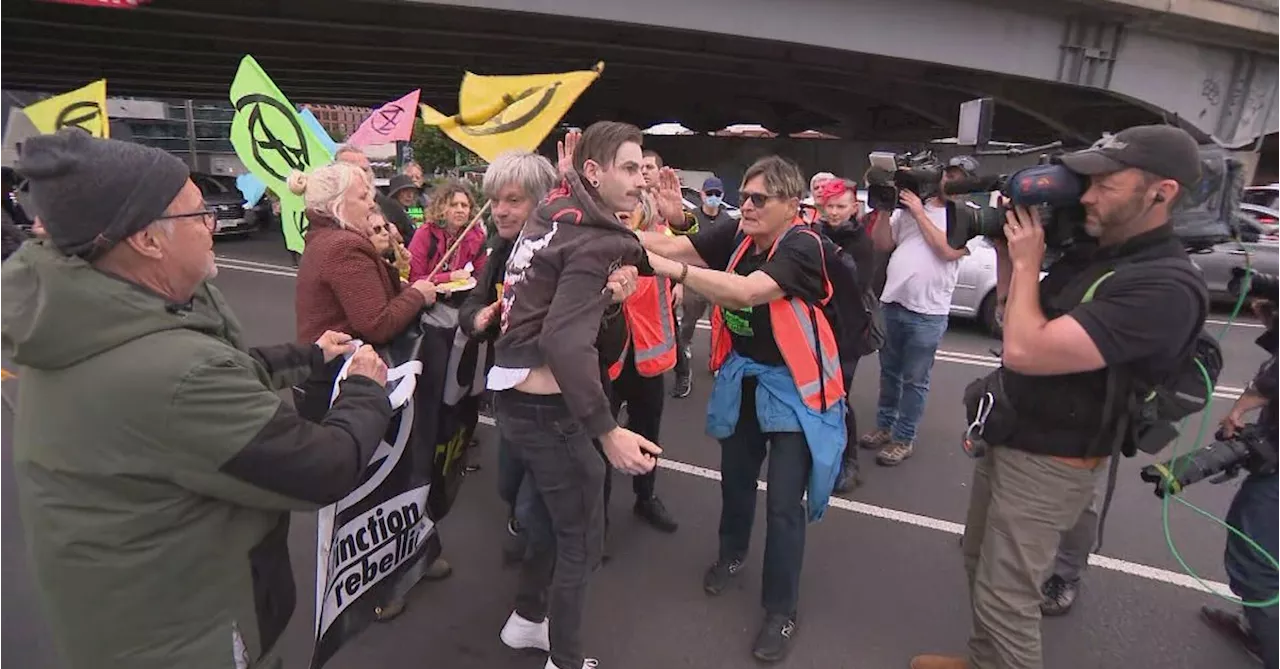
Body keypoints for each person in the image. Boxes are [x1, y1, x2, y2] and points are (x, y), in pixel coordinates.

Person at [0, 128, 395, 669]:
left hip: (127, 622)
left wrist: (309, 356)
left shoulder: (88, 324)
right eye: (197, 215)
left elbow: (221, 371)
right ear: (147, 240)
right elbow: (322, 467)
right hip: (186, 640)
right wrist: (365, 389)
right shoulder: (175, 376)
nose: (213, 225)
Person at [911, 125, 1210, 669]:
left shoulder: (1163, 285)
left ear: (1161, 192)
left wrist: (1029, 261)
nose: (1089, 196)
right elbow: (1011, 320)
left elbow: (1027, 351)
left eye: (1106, 185)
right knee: (980, 562)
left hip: (1053, 461)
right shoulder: (1096, 256)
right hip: (1014, 433)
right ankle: (984, 663)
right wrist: (1007, 255)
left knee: (1008, 597)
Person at [639, 155, 847, 663]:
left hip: (797, 389)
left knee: (782, 504)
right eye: (745, 196)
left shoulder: (803, 245)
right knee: (734, 479)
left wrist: (668, 268)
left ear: (791, 205)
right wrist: (597, 221)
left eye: (759, 199)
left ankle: (782, 609)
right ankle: (732, 555)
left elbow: (747, 291)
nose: (746, 205)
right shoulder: (739, 231)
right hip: (746, 379)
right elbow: (667, 243)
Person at [490, 121, 662, 669]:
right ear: (594, 172)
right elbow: (564, 340)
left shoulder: (555, 211)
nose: (643, 182)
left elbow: (556, 311)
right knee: (581, 540)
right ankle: (564, 660)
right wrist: (606, 430)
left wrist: (607, 299)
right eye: (630, 169)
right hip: (549, 412)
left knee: (544, 519)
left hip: (517, 400)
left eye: (643, 169)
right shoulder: (601, 239)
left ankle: (525, 622)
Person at [458, 149, 637, 565]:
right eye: (494, 200)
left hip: (566, 408)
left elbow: (605, 349)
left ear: (543, 204)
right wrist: (477, 317)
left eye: (513, 201)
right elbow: (472, 304)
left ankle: (563, 565)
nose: (499, 212)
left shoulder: (578, 252)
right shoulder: (502, 251)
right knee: (509, 485)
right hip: (513, 400)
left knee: (545, 502)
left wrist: (609, 304)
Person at [862, 155, 977, 467]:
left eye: (960, 176)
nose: (951, 180)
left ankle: (903, 438)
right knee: (889, 373)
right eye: (949, 173)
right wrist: (885, 212)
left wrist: (917, 211)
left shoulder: (966, 216)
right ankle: (884, 426)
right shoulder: (912, 206)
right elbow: (883, 244)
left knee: (915, 380)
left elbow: (947, 250)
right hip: (893, 301)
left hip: (929, 312)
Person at [812, 177, 876, 493]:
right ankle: (822, 452)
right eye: (830, 206)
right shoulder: (816, 233)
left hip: (847, 332)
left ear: (854, 207)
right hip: (817, 326)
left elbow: (854, 289)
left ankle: (849, 462)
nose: (834, 212)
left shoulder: (862, 244)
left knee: (839, 398)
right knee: (815, 395)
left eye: (841, 206)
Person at [670, 175, 737, 399]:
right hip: (694, 279)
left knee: (719, 323)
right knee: (689, 318)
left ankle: (717, 360)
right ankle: (685, 346)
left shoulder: (728, 221)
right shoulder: (691, 218)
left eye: (718, 194)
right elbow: (680, 249)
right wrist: (679, 283)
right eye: (710, 194)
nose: (713, 198)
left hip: (717, 280)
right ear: (702, 195)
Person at [409, 179, 485, 285]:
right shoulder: (425, 234)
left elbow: (482, 273)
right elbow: (413, 279)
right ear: (441, 208)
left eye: (464, 205)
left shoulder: (475, 235)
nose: (460, 210)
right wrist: (449, 277)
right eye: (453, 205)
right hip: (429, 295)